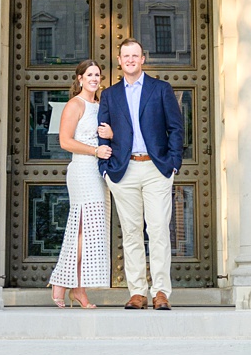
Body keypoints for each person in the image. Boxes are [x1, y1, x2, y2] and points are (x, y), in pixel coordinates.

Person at [97, 36, 185, 310]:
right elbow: (102, 132)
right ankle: (137, 292)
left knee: (158, 230)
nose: (131, 60)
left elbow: (176, 128)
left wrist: (173, 164)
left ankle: (161, 292)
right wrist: (105, 170)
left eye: (135, 56)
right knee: (132, 232)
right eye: (126, 56)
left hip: (156, 169)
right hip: (123, 172)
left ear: (143, 59)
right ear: (120, 61)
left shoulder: (160, 89)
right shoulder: (110, 95)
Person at [47, 61, 110, 309]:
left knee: (89, 232)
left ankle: (71, 285)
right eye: (89, 75)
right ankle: (69, 285)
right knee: (83, 230)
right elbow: (65, 141)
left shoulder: (100, 105)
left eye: (97, 74)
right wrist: (95, 150)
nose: (94, 78)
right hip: (83, 169)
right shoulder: (75, 104)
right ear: (80, 78)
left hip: (99, 172)